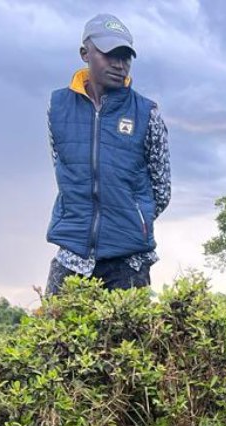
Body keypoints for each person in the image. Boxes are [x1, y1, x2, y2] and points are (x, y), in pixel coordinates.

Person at [44, 14, 171, 297]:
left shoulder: (147, 113)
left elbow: (161, 189)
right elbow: (62, 168)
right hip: (72, 255)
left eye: (125, 56)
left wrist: (135, 217)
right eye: (109, 54)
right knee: (52, 336)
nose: (119, 64)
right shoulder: (57, 107)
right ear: (85, 54)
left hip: (128, 261)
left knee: (127, 342)